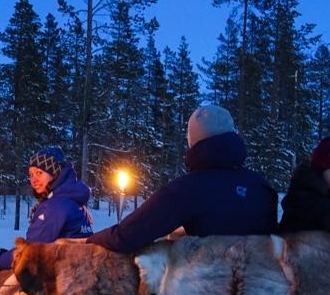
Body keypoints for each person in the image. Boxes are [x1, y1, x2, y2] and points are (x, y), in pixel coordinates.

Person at [86, 105, 278, 254]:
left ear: (192, 140)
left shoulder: (188, 189)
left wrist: (91, 241)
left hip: (212, 294)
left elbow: (129, 235)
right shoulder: (261, 187)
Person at [0, 146, 93, 271]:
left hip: (61, 278)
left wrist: (4, 260)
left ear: (55, 173)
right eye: (31, 174)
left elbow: (31, 250)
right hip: (79, 272)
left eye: (39, 173)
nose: (33, 180)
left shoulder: (55, 206)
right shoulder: (73, 201)